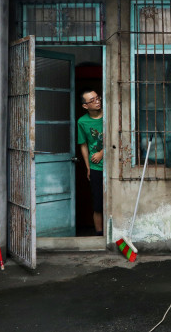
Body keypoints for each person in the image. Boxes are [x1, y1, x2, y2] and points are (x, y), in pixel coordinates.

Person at [77, 89, 104, 236]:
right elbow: (83, 145)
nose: (97, 101)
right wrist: (88, 167)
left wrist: (102, 153)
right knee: (98, 204)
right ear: (85, 106)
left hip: (112, 165)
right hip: (96, 168)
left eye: (97, 98)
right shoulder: (82, 122)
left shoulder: (108, 115)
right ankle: (99, 235)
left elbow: (117, 138)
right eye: (92, 100)